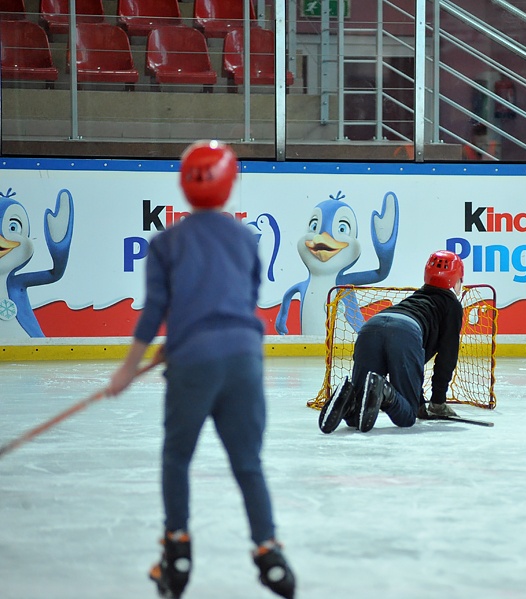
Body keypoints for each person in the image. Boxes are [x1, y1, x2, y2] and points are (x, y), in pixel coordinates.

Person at [105, 141, 296, 599]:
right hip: (245, 360)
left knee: (177, 458)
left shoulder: (165, 242)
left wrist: (128, 370)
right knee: (248, 464)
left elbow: (154, 313)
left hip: (193, 362)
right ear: (230, 185)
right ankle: (269, 553)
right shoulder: (247, 239)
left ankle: (177, 550)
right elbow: (241, 303)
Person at [318, 250, 465, 434]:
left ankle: (347, 396)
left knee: (358, 413)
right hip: (405, 332)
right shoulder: (452, 306)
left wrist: (419, 398)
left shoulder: (416, 297)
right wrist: (437, 402)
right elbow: (447, 357)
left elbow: (416, 367)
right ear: (455, 280)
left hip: (371, 327)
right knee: (407, 416)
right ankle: (385, 391)